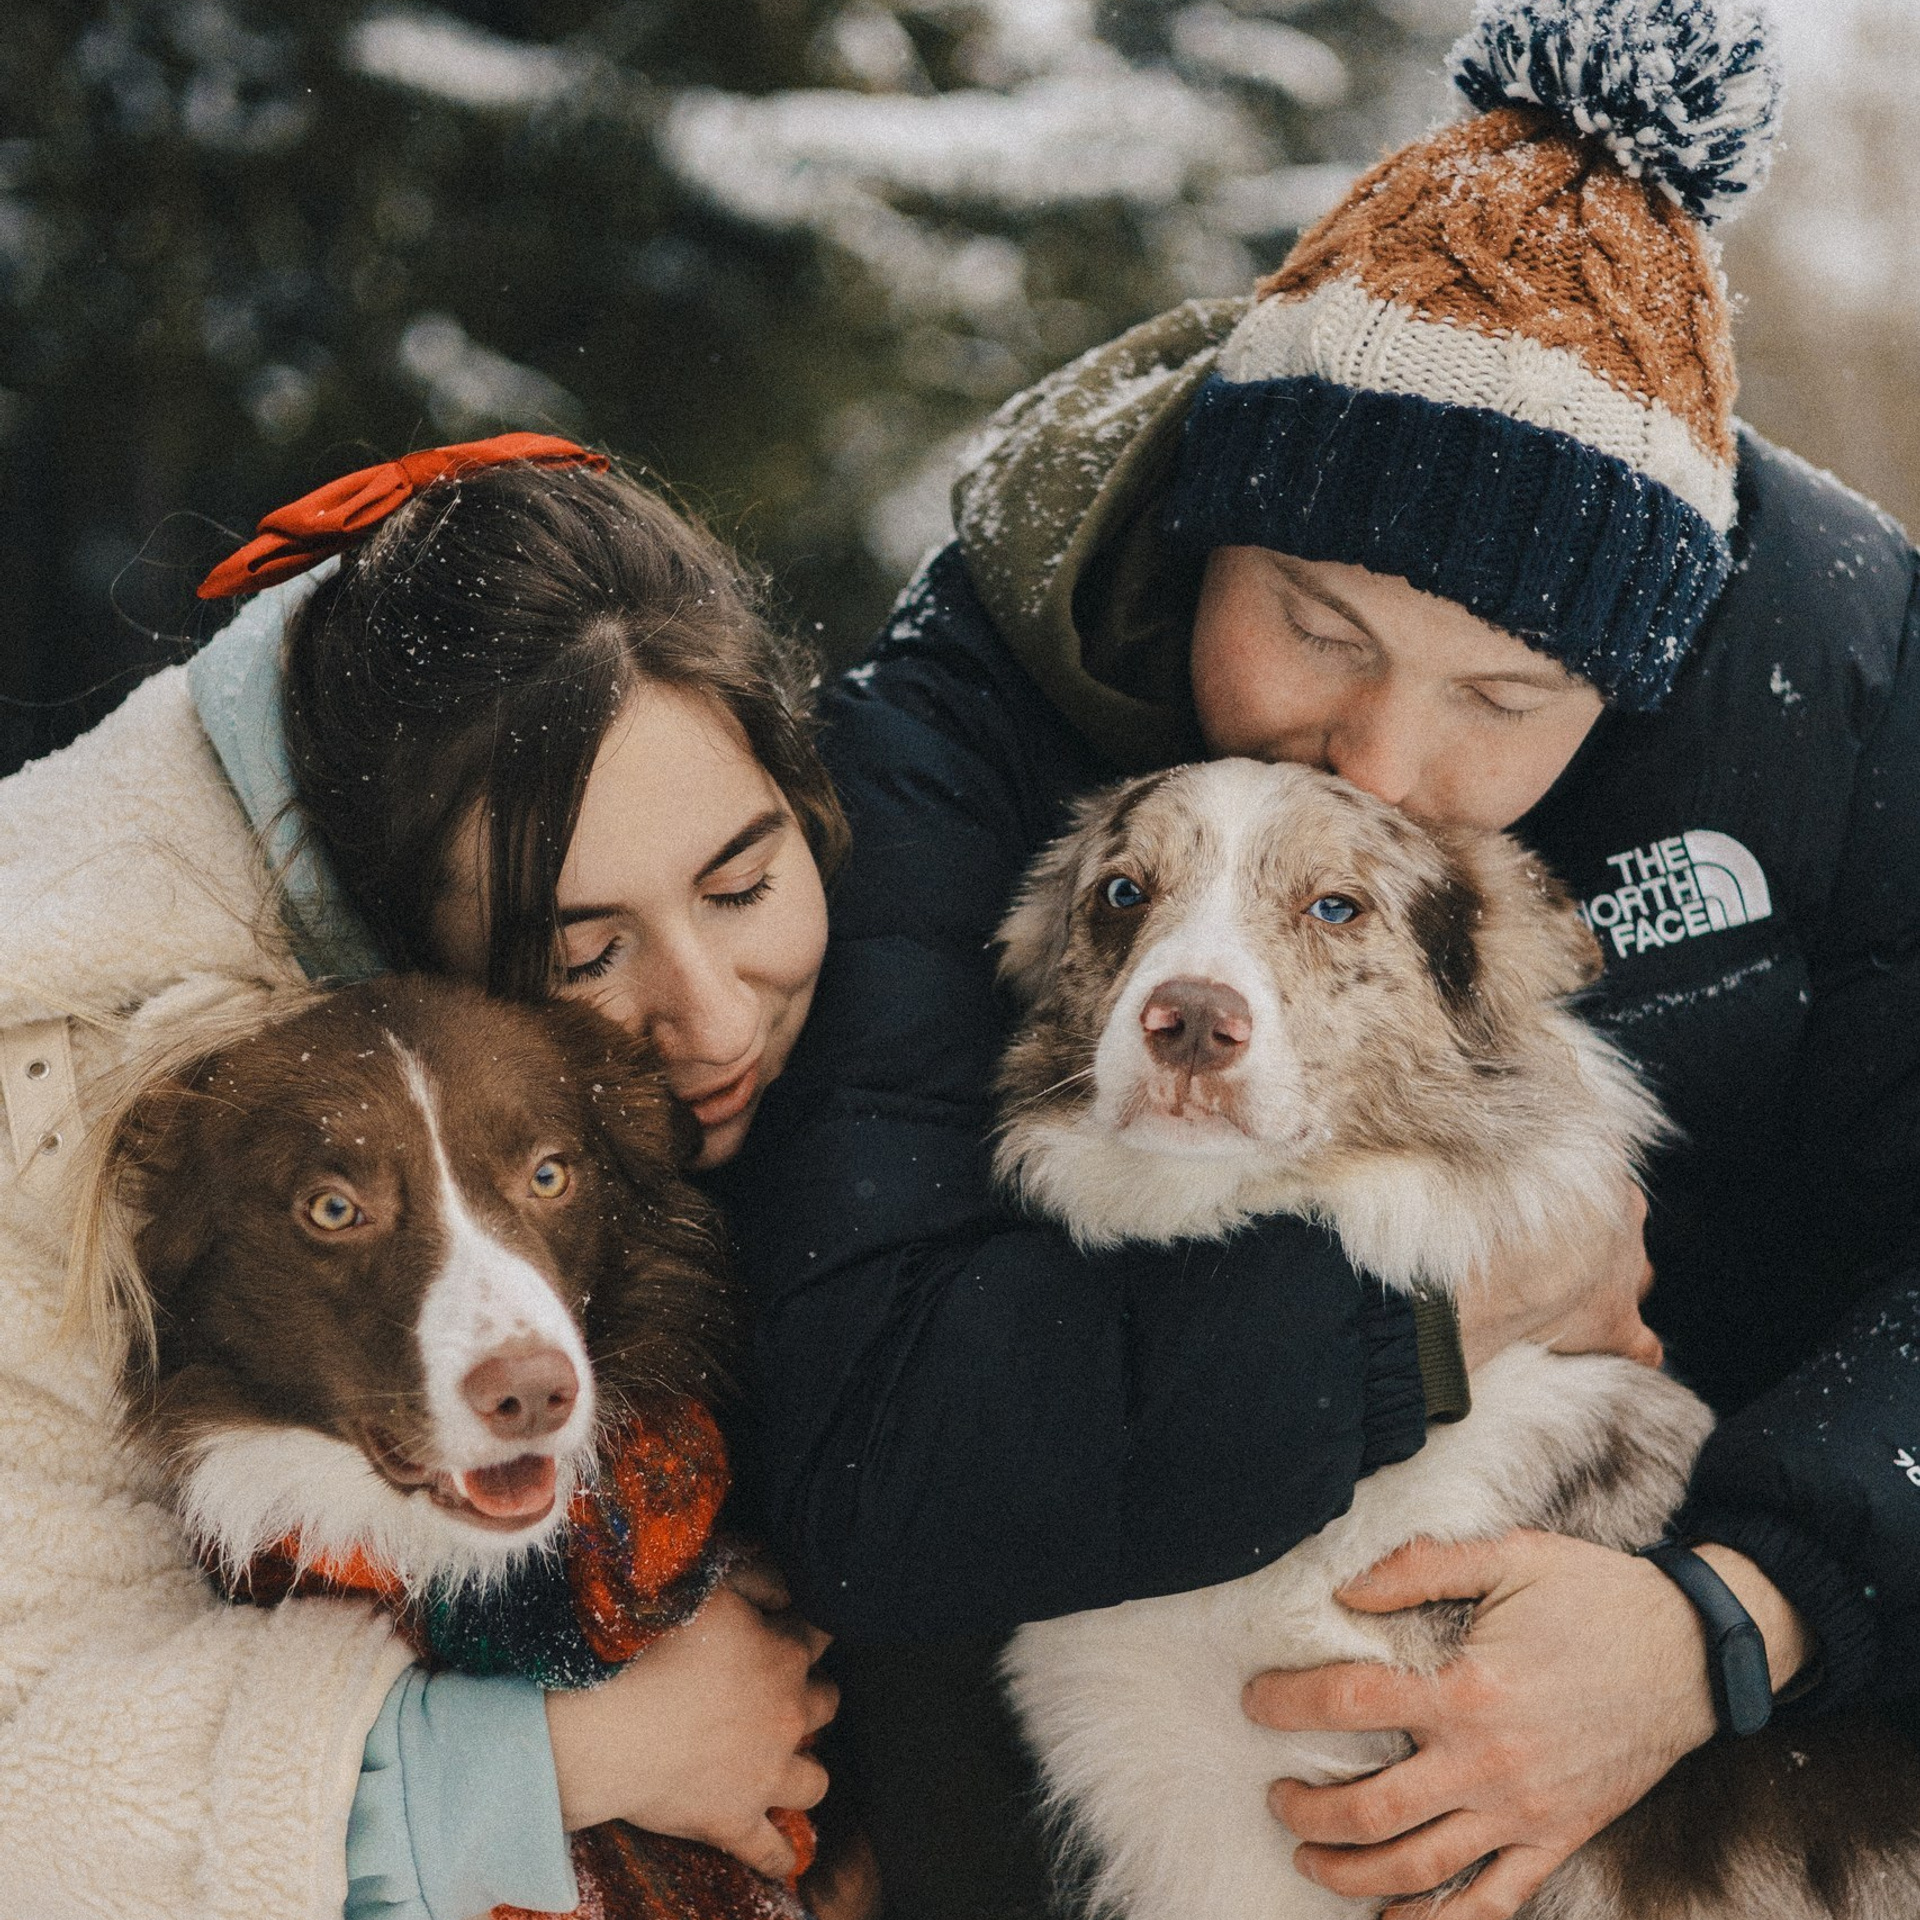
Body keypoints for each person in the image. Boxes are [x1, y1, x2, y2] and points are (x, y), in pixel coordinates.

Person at [715, 2, 1920, 1915]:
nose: (1378, 760)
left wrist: (1733, 1621)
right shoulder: (962, 734)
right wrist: (1439, 1320)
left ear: (1625, 681)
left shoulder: (1843, 680)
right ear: (1213, 534)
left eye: (1503, 698)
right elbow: (869, 1440)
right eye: (1315, 623)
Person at [0, 434, 843, 1918]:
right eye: (584, 952)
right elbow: (34, 1787)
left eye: (744, 884)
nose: (716, 1017)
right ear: (389, 931)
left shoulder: (927, 912)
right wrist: (562, 1753)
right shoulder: (56, 1094)